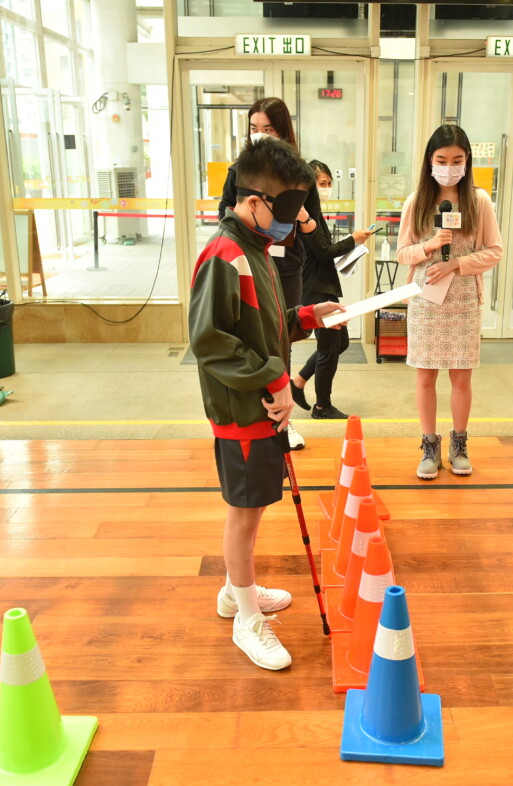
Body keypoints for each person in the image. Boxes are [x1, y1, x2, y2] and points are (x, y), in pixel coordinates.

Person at [190, 136, 346, 670]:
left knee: (255, 504)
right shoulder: (224, 256)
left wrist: (305, 317)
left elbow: (260, 325)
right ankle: (246, 618)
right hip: (241, 409)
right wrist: (273, 376)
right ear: (254, 201)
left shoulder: (256, 249)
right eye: (287, 209)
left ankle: (237, 590)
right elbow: (210, 340)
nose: (294, 220)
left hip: (262, 403)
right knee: (244, 510)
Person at [396, 124, 503, 479]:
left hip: (463, 300)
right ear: (430, 160)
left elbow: (494, 251)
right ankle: (429, 445)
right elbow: (402, 253)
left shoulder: (479, 201)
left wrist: (456, 264)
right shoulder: (416, 202)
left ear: (467, 161)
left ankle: (459, 444)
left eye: (457, 160)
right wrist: (429, 245)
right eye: (442, 160)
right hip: (425, 300)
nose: (449, 167)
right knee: (425, 377)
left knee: (461, 378)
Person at [219, 98, 319, 449]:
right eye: (254, 128)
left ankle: (282, 418)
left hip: (285, 265)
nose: (259, 135)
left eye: (268, 129)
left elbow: (316, 232)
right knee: (250, 334)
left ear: (283, 132)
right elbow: (217, 340)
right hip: (250, 260)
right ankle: (260, 414)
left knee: (279, 337)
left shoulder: (299, 175)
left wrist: (301, 216)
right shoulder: (239, 174)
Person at [291, 160, 375, 419]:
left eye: (329, 183)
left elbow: (322, 251)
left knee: (341, 342)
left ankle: (298, 381)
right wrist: (353, 240)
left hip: (323, 285)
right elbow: (324, 252)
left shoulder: (314, 214)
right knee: (329, 348)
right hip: (315, 288)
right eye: (321, 184)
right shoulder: (305, 216)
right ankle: (322, 406)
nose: (326, 188)